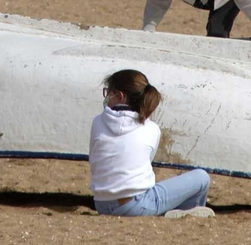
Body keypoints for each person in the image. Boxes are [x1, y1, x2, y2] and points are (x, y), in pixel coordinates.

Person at [89, 69, 212, 218]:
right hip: (135, 206)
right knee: (202, 177)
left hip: (101, 204)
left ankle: (178, 212)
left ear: (120, 96)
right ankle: (186, 214)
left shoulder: (97, 122)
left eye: (108, 93)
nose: (107, 97)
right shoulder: (151, 128)